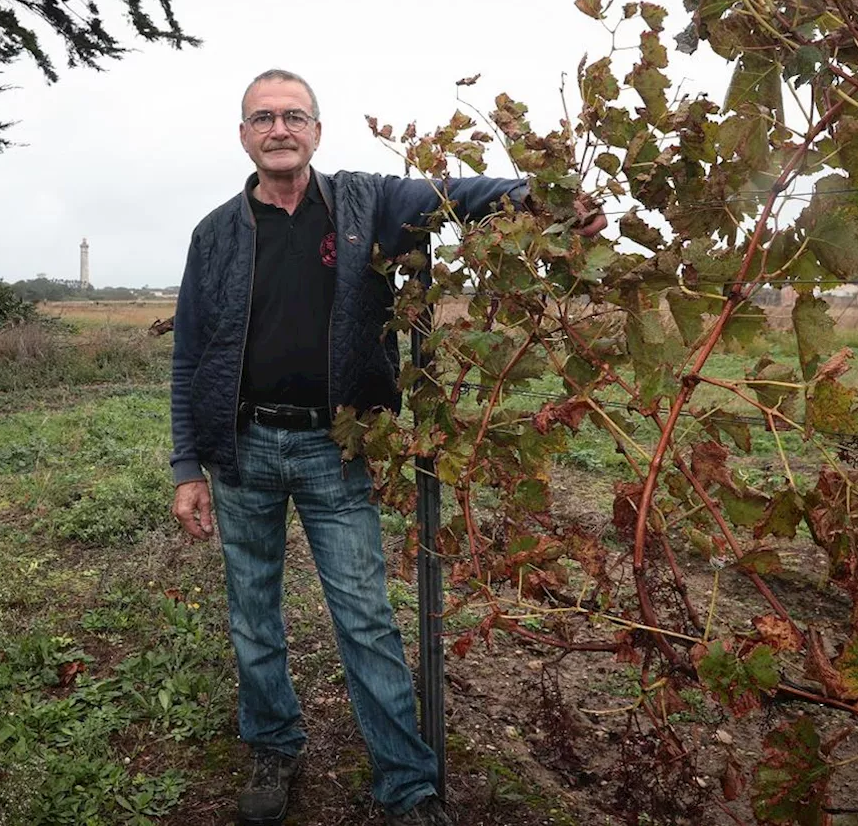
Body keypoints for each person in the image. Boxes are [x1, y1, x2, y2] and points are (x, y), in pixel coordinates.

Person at [169, 68, 605, 826]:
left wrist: (543, 198)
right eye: (264, 116)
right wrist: (187, 467)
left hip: (335, 448)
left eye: (294, 115)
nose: (280, 128)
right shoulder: (214, 235)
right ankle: (274, 743)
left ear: (316, 131)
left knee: (366, 615)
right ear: (243, 135)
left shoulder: (367, 202)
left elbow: (455, 195)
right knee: (252, 612)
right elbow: (190, 354)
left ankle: (405, 785)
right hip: (240, 450)